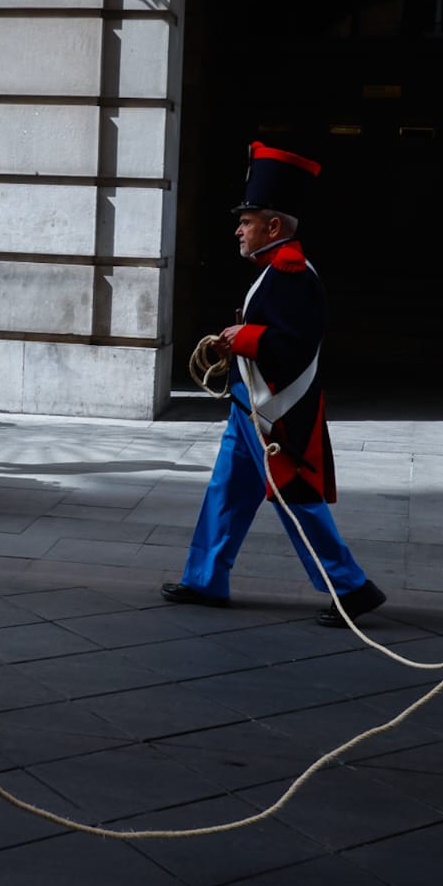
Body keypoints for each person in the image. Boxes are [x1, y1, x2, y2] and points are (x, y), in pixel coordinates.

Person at [161, 141, 385, 628]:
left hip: (277, 408)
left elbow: (298, 342)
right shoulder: (274, 270)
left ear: (274, 226)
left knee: (293, 497)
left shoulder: (291, 272)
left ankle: (351, 586)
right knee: (227, 490)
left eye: (247, 220)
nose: (239, 229)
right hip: (251, 401)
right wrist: (237, 342)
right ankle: (205, 579)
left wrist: (248, 337)